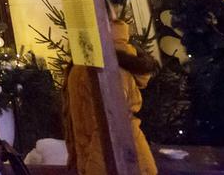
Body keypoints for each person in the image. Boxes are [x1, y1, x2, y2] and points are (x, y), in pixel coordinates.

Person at [63, 18, 158, 175]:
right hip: (115, 160)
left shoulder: (105, 67)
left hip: (119, 163)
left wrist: (92, 168)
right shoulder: (91, 61)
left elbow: (111, 128)